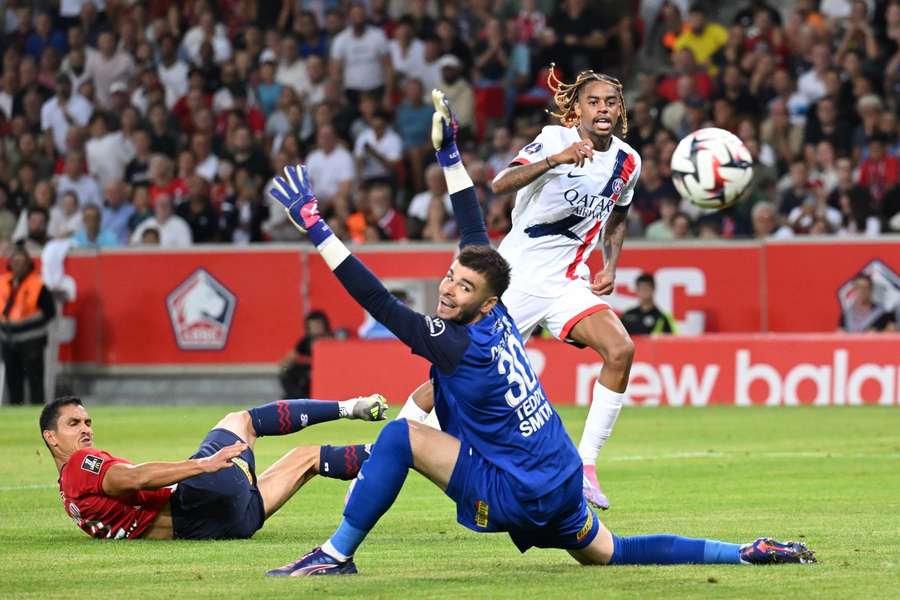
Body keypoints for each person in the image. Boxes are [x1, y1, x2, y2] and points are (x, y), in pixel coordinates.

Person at [263, 91, 815, 576]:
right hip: (560, 481)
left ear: (486, 300)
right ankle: (742, 552)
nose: (448, 288)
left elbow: (375, 297)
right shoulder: (501, 313)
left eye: (460, 285)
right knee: (613, 553)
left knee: (401, 438)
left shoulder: (452, 341)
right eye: (451, 277)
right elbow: (474, 225)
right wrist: (450, 155)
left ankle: (336, 554)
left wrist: (316, 225)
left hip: (515, 496)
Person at [483, 68, 642, 510]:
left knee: (621, 350)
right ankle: (385, 450)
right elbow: (499, 185)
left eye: (611, 101)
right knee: (459, 375)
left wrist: (610, 264)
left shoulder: (629, 162)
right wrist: (557, 160)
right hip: (515, 279)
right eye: (594, 101)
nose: (604, 108)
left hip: (567, 283)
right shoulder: (554, 140)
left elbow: (619, 216)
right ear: (577, 110)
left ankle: (586, 466)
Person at [41, 394, 387, 540]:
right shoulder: (80, 466)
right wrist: (203, 465)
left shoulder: (69, 495)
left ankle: (390, 451)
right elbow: (136, 477)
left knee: (307, 458)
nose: (86, 428)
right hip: (201, 496)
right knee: (243, 420)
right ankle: (350, 407)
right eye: (73, 424)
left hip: (226, 525)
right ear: (51, 438)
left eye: (87, 421)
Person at [0, 245, 57, 405]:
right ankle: (15, 409)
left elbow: (49, 312)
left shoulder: (38, 285)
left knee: (35, 379)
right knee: (13, 379)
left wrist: (24, 324)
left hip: (32, 338)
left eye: (22, 261)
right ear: (9, 264)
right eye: (15, 261)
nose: (18, 265)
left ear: (28, 264)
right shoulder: (2, 282)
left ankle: (38, 411)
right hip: (8, 338)